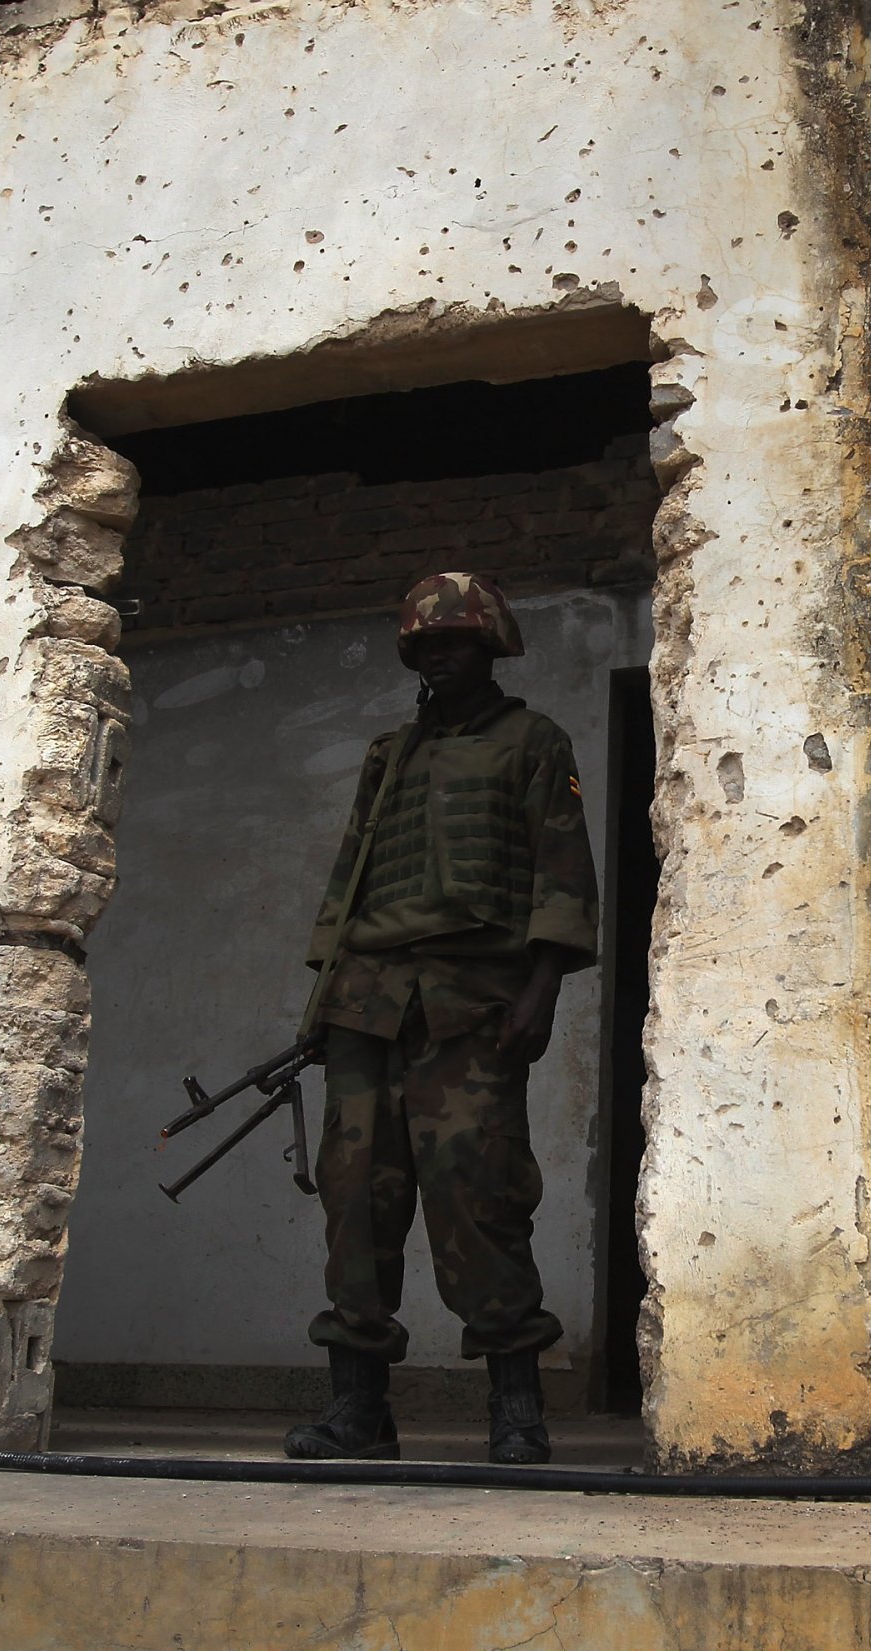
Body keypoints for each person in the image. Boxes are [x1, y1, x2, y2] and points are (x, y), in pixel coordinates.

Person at [284, 572, 597, 1465]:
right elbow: (347, 880)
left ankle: (516, 1408)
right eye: (426, 646)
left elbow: (562, 873)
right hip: (367, 1003)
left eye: (457, 642)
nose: (441, 656)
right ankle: (358, 1409)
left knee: (478, 1193)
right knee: (355, 1199)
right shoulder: (392, 754)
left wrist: (542, 991)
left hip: (474, 1002)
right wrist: (320, 1006)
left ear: (491, 647)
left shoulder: (534, 741)